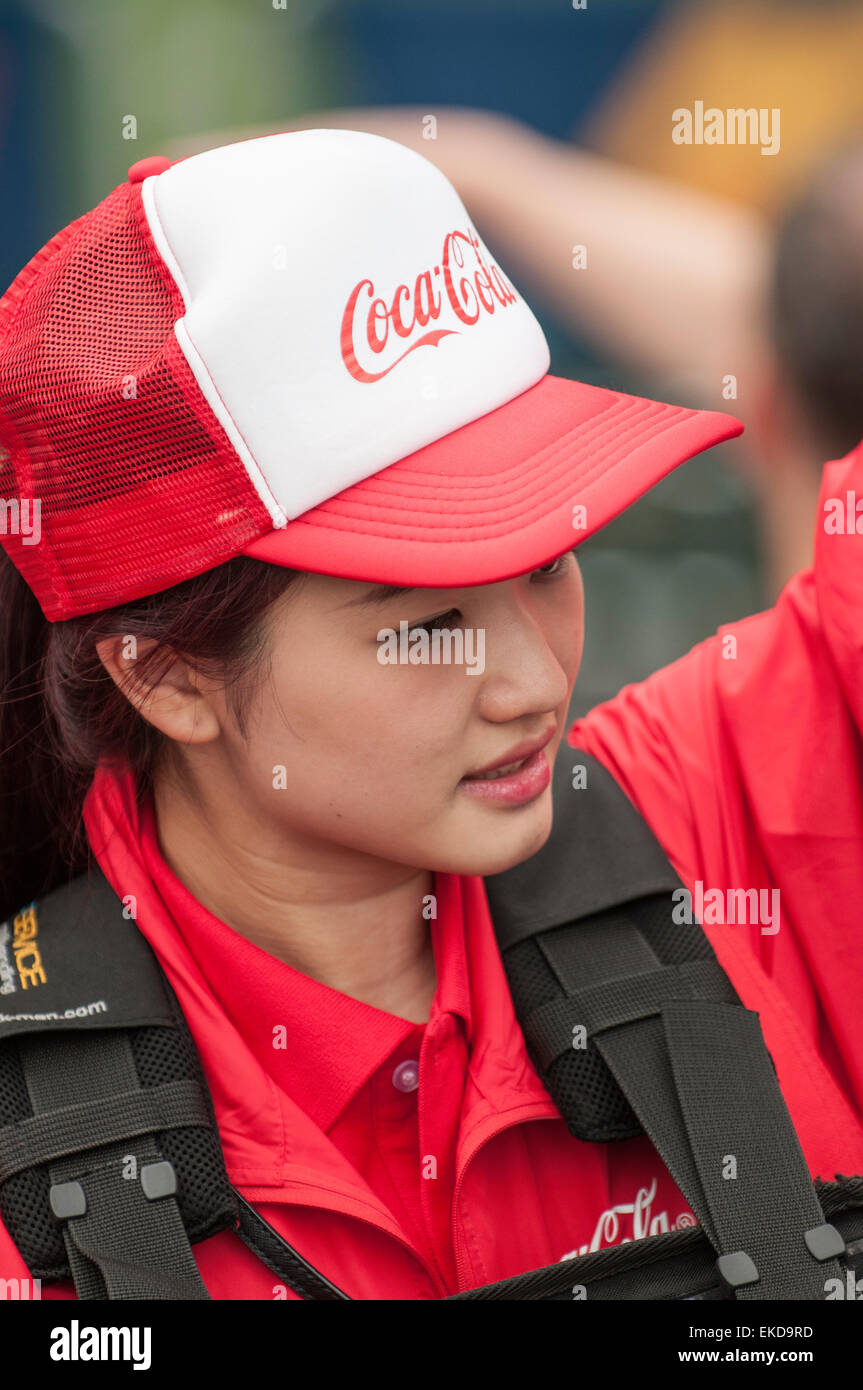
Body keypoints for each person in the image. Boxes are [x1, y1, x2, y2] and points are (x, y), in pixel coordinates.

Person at [0, 127, 858, 1302]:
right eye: (425, 620)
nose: (530, 681)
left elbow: (829, 327)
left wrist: (490, 171)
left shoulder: (718, 804)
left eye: (550, 557)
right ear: (165, 677)